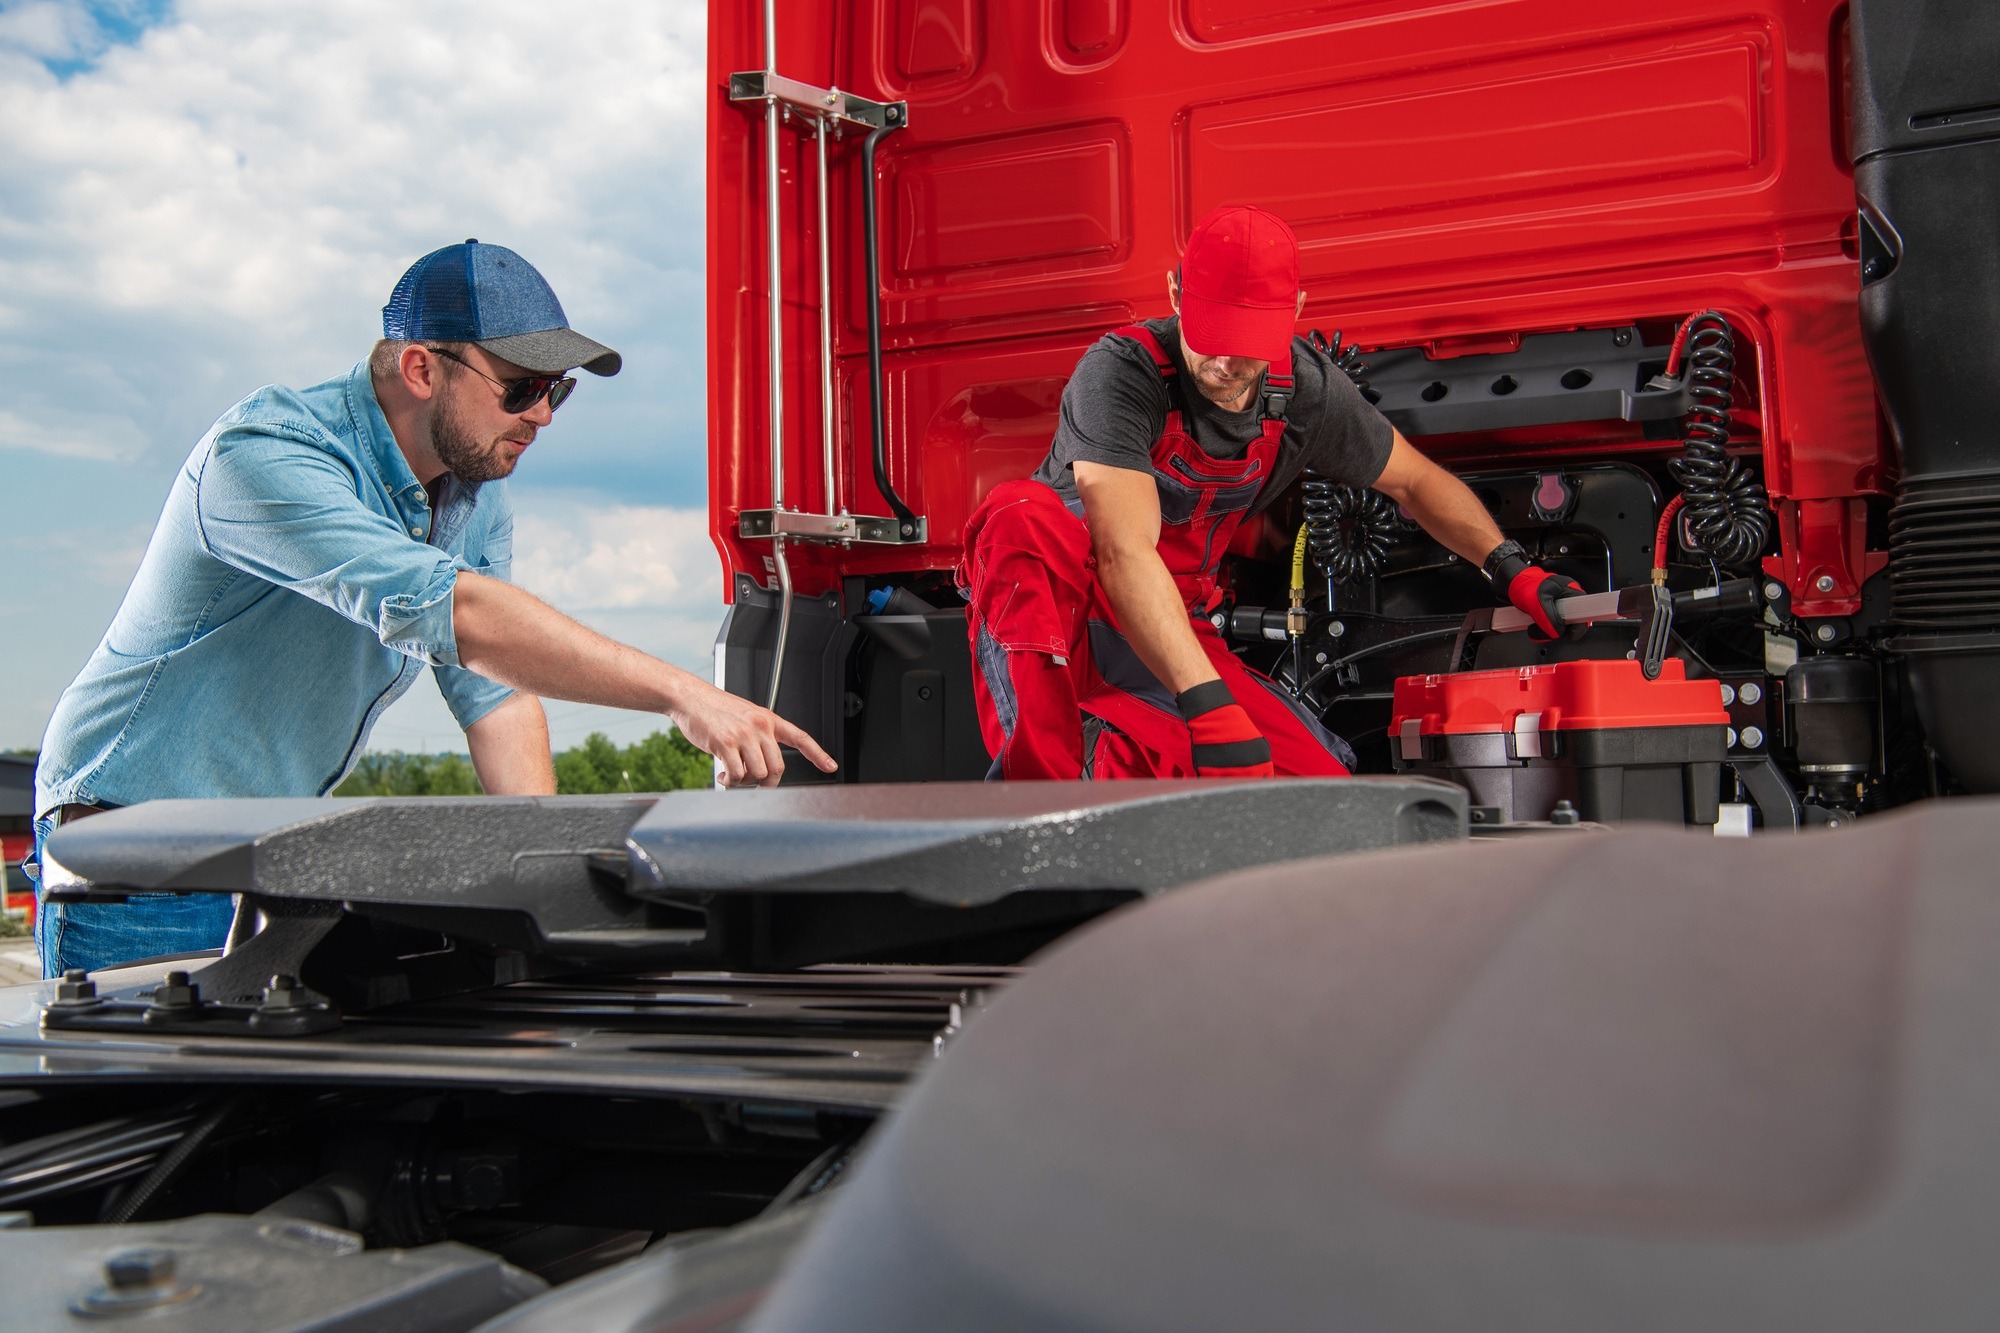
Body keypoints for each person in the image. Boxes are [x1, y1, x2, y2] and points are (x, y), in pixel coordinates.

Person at [29, 239, 833, 977]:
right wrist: (683, 692)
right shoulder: (265, 456)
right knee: (164, 1116)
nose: (543, 415)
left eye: (557, 389)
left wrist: (549, 896)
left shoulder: (471, 492)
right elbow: (459, 615)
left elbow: (498, 693)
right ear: (421, 368)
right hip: (134, 862)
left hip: (257, 862)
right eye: (520, 387)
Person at [959, 205, 1578, 780]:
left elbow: (1415, 479)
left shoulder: (1305, 391)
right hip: (1068, 615)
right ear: (1175, 295)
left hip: (1173, 625)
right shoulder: (1122, 374)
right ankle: (1046, 801)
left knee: (1316, 791)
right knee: (1021, 514)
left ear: (1297, 312)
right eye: (1212, 333)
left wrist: (1512, 569)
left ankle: (1126, 761)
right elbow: (1123, 553)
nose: (1227, 362)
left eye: (1248, 340)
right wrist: (1206, 706)